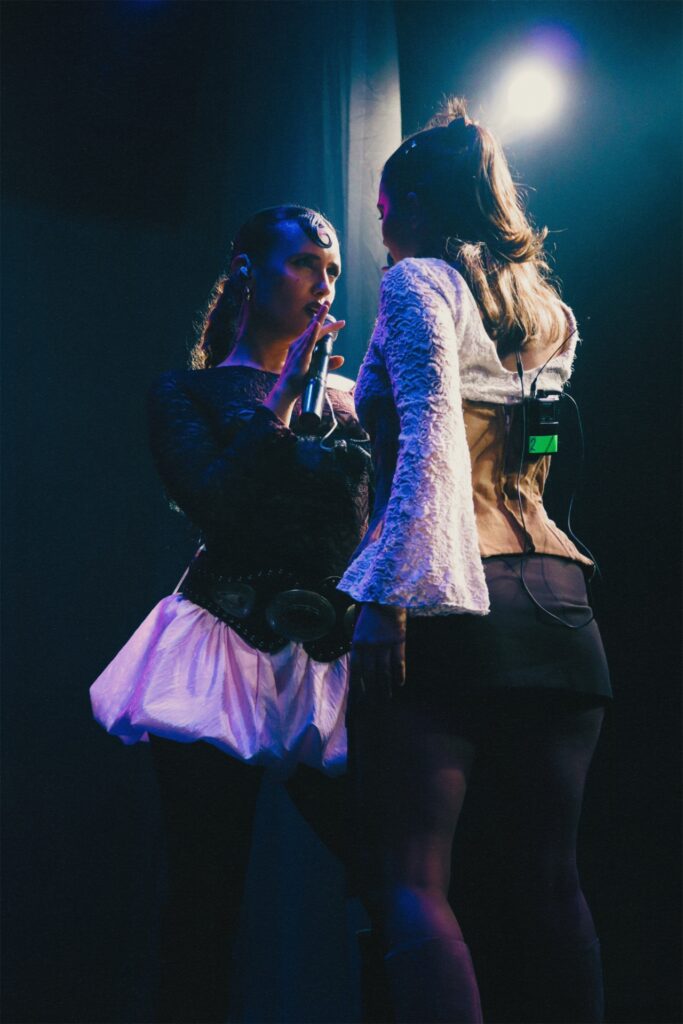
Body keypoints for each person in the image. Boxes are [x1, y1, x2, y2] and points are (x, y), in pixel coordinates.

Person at [339, 98, 612, 1024]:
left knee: (409, 876)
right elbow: (507, 435)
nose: (381, 232)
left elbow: (432, 441)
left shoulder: (418, 283)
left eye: (384, 211)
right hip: (560, 607)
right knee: (550, 882)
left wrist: (388, 599)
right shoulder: (546, 309)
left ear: (415, 204)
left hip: (458, 598)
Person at [90, 205, 373, 1023]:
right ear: (248, 270)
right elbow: (217, 500)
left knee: (390, 876)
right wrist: (280, 396)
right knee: (205, 899)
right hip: (220, 647)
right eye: (304, 262)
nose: (322, 282)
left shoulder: (356, 400)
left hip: (332, 656)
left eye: (331, 269)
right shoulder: (187, 391)